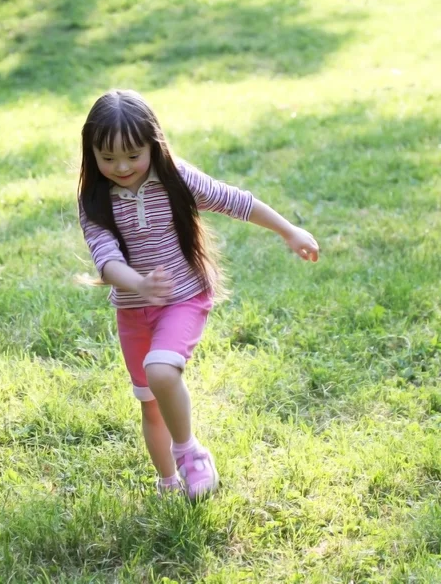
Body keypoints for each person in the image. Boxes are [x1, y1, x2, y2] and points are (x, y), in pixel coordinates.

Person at [78, 89, 319, 500]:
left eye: (133, 155)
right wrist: (137, 284)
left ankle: (192, 454)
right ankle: (169, 481)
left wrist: (289, 230)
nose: (121, 167)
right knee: (150, 403)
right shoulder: (95, 200)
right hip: (134, 312)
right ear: (92, 153)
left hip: (183, 297)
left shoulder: (176, 179)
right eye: (108, 158)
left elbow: (236, 201)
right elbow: (105, 258)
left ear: (154, 145)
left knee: (161, 370)